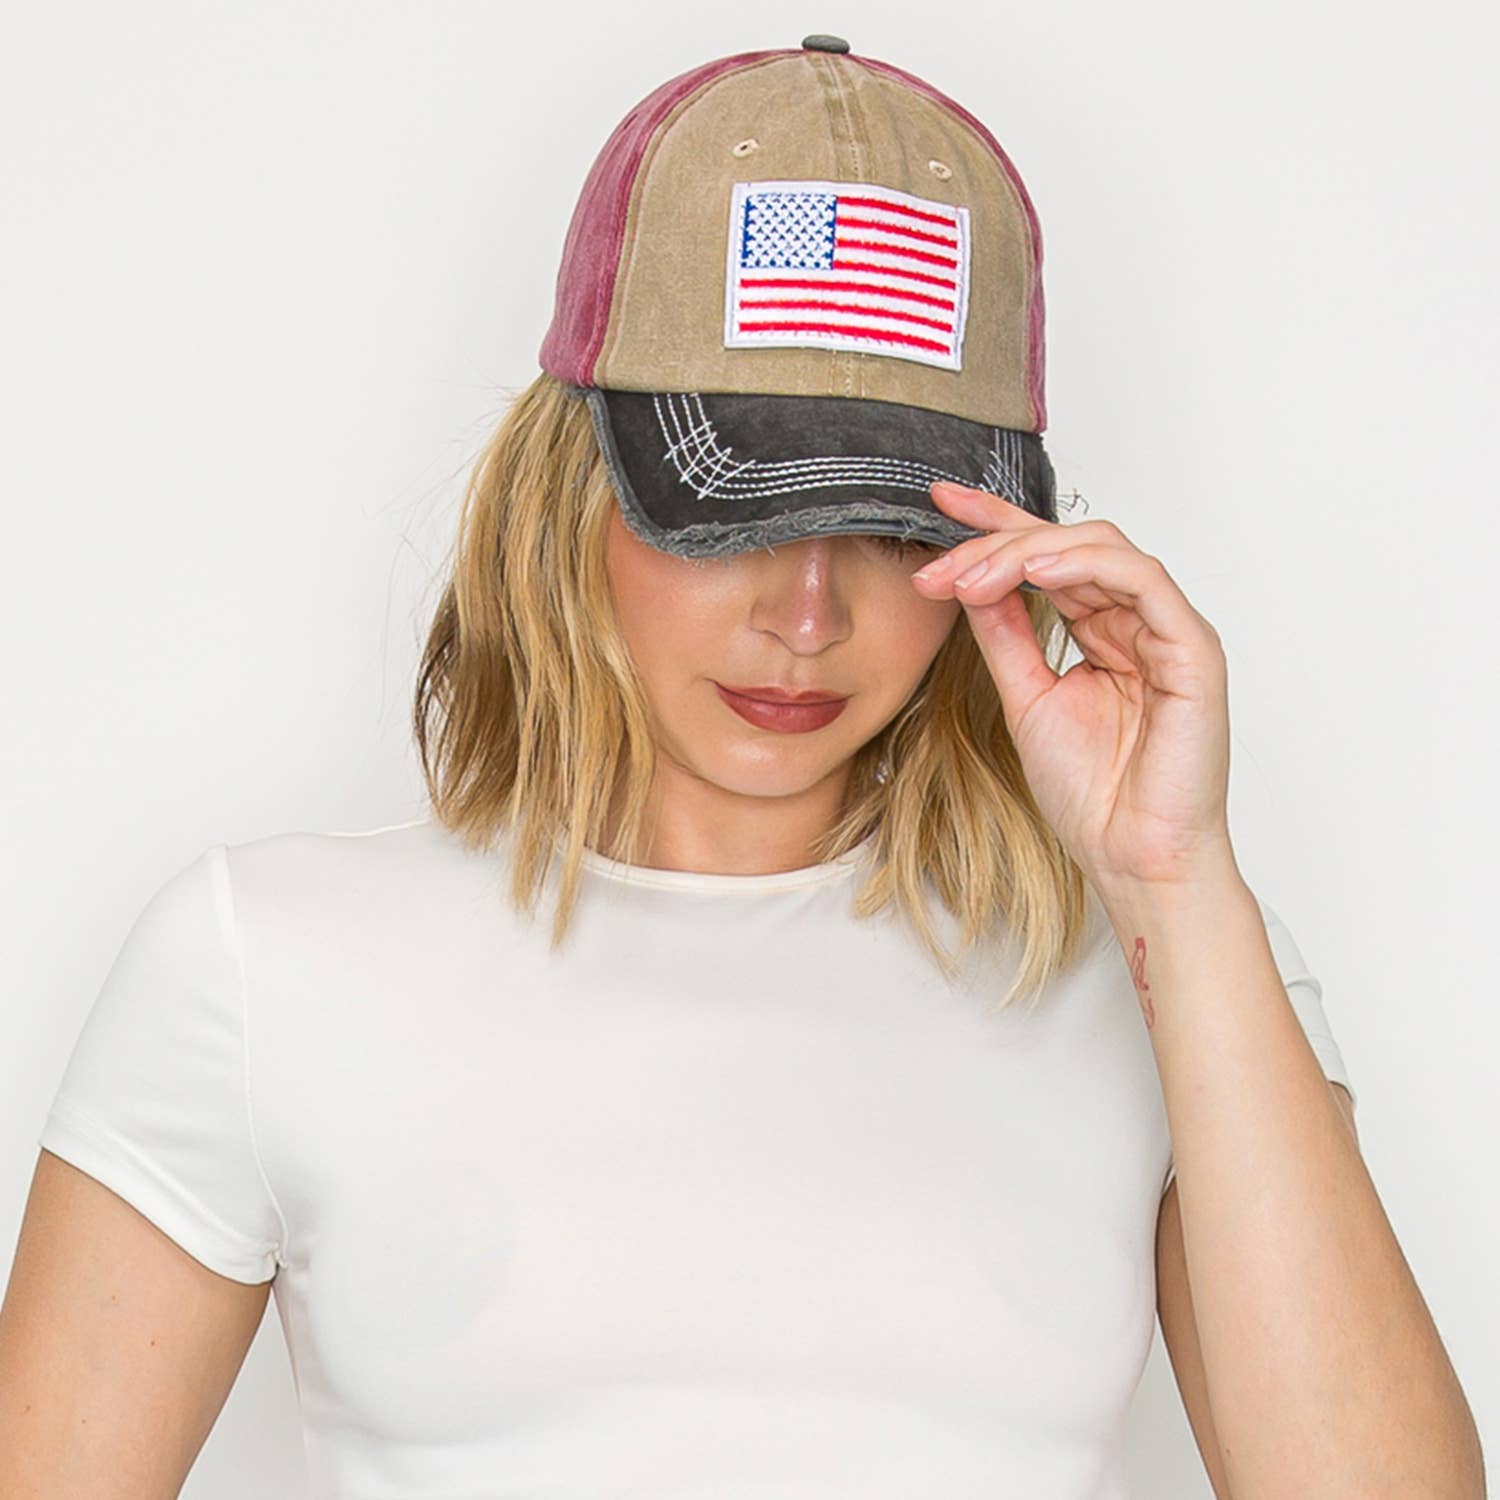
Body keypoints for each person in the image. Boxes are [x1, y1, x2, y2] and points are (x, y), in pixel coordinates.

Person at [1, 35, 1483, 1500]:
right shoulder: (263, 962)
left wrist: (1174, 880)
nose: (809, 616)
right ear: (568, 489)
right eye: (734, 516)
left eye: (896, 531)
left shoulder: (1165, 967)